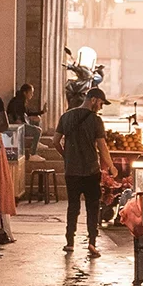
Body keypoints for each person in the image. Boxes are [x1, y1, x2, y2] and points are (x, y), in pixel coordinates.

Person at [55, 87, 107, 257]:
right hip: (91, 170)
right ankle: (92, 243)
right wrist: (111, 166)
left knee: (73, 206)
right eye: (100, 103)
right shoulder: (96, 120)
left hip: (72, 171)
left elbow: (55, 141)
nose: (100, 107)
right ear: (93, 100)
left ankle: (70, 242)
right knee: (93, 208)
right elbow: (102, 146)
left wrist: (66, 156)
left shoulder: (66, 116)